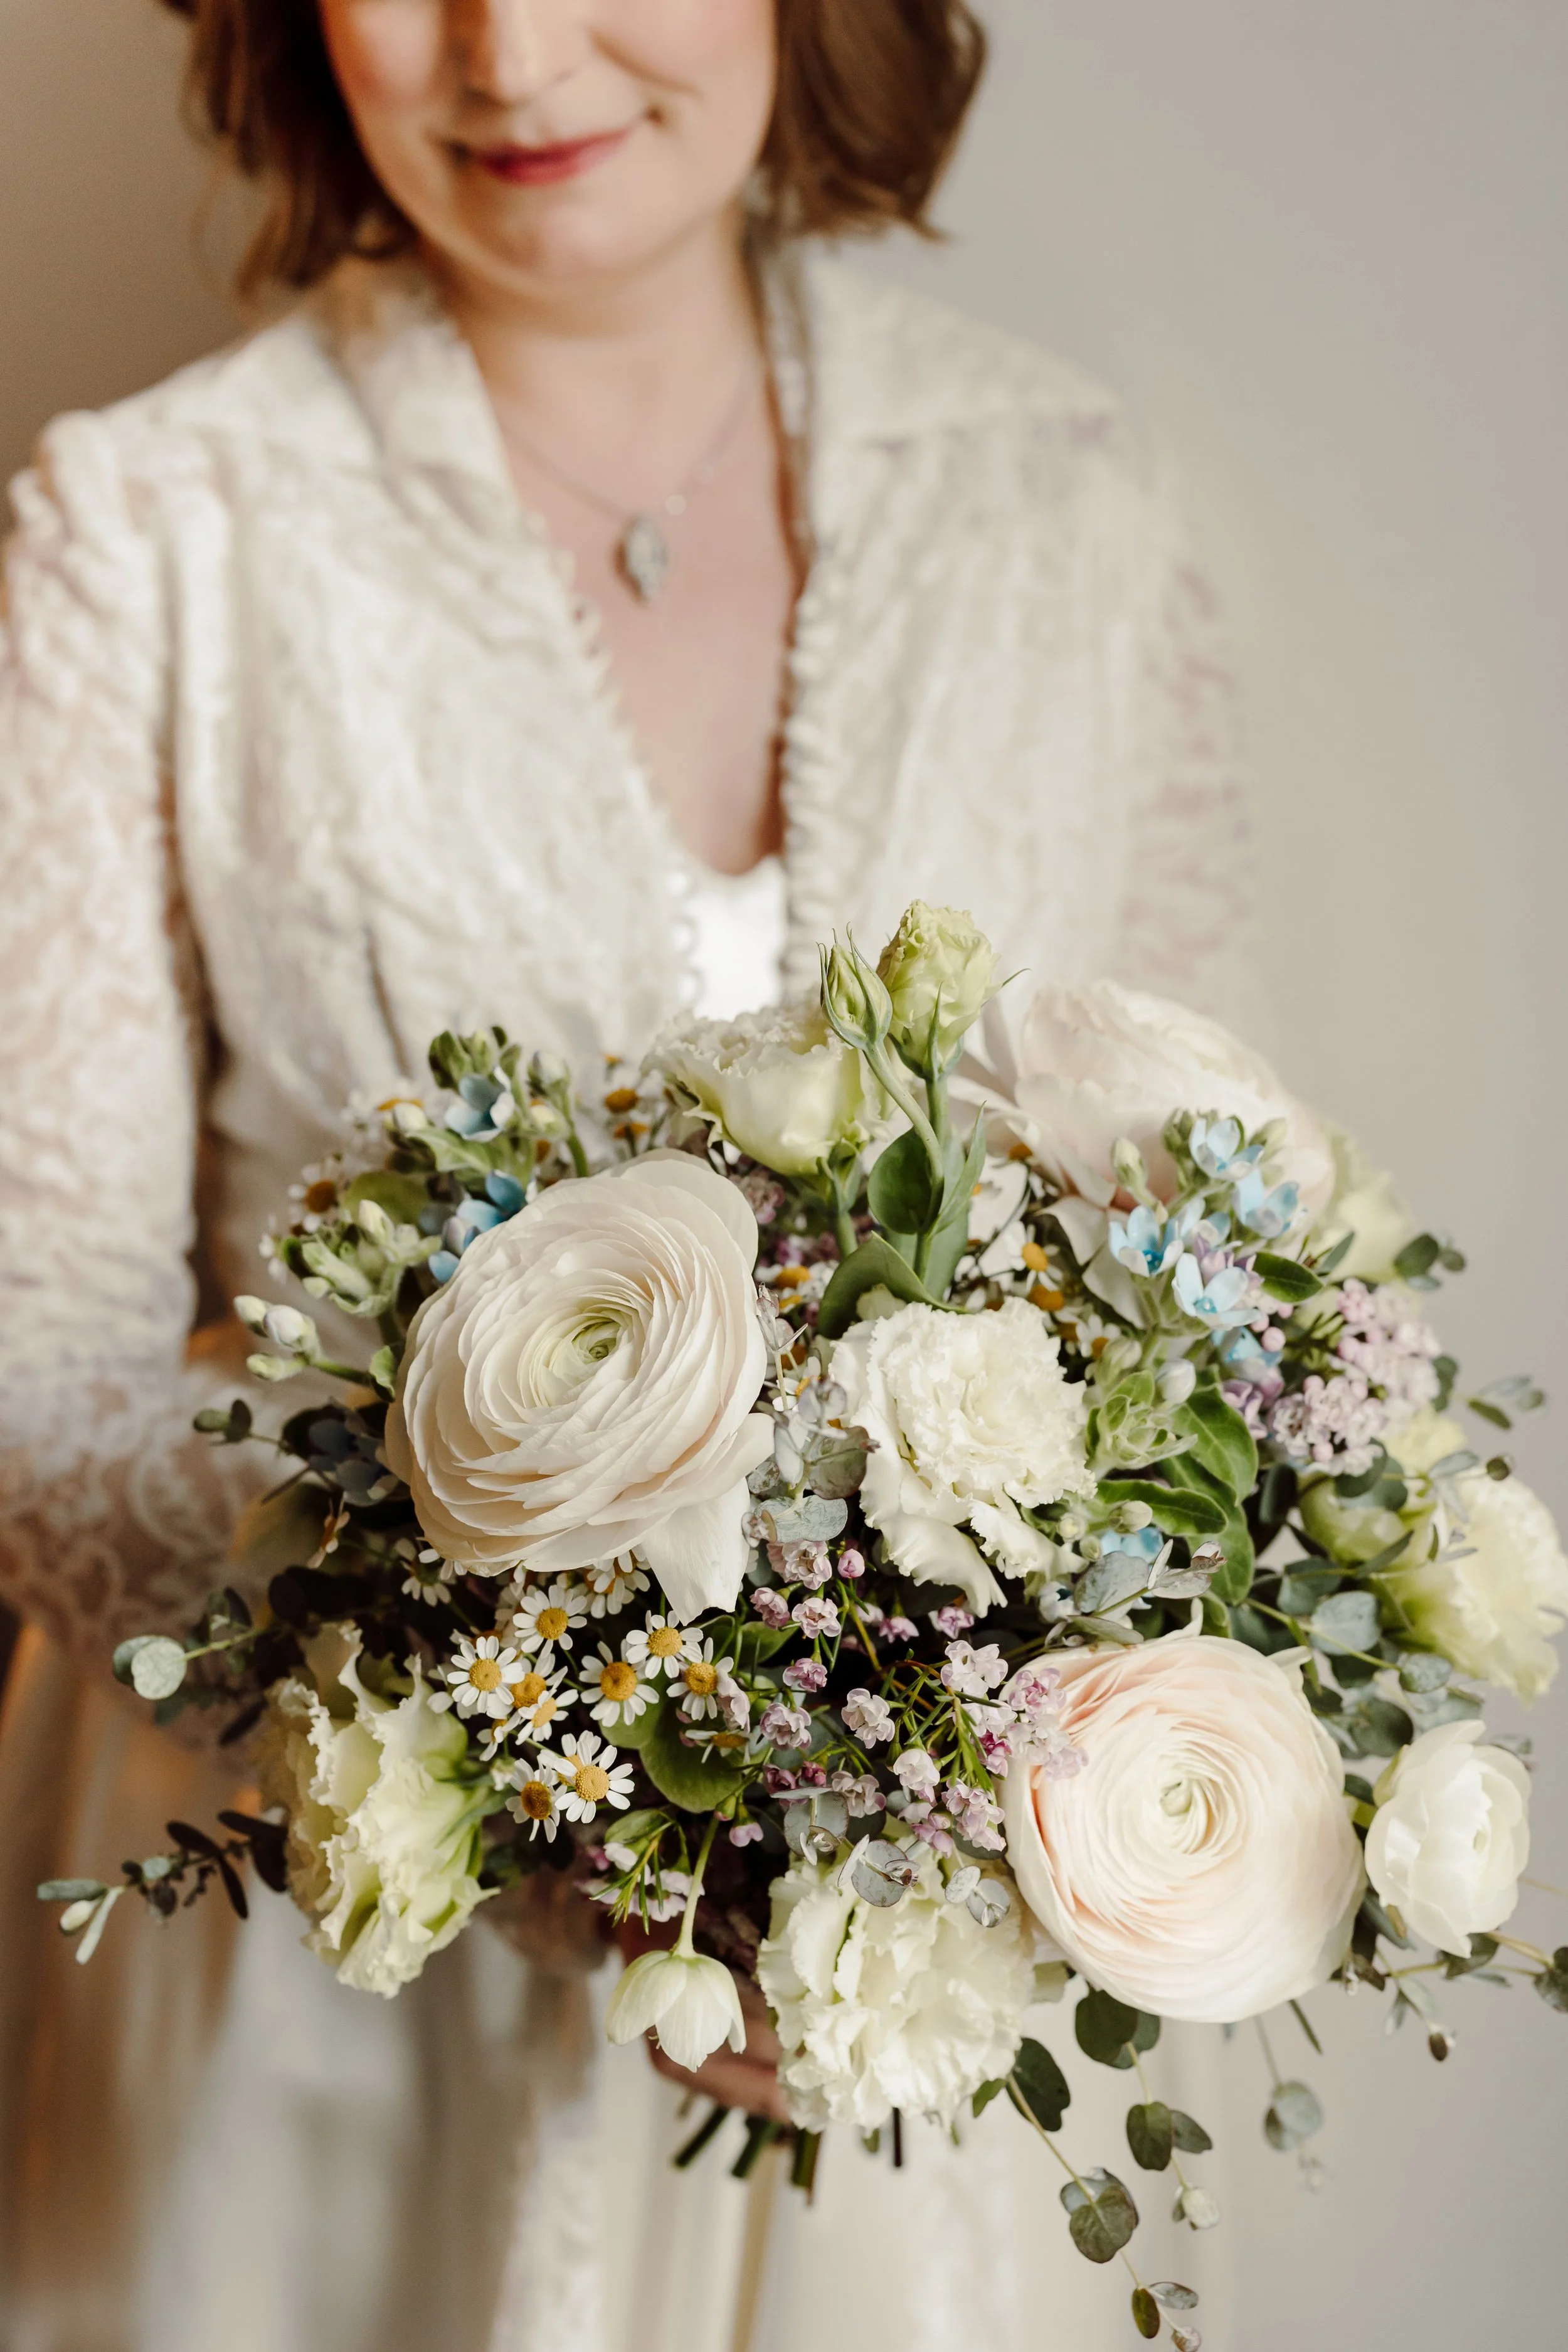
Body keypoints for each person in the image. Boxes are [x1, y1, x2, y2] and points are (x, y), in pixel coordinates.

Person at [0, 3, 1253, 2346]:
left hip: (905, 2002)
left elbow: (1204, 1258)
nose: (507, 51)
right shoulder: (150, 526)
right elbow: (34, 1361)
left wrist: (910, 1815)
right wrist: (538, 1771)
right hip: (319, 1983)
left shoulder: (1067, 498)